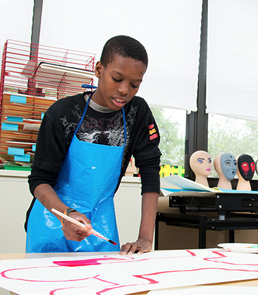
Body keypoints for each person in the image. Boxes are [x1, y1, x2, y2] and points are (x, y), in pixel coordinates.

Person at [25, 35, 161, 255]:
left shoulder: (137, 113)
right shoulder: (62, 113)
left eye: (135, 84)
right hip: (52, 221)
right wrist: (66, 214)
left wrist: (145, 238)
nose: (125, 90)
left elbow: (150, 169)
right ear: (99, 70)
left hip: (100, 225)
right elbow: (40, 181)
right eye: (117, 79)